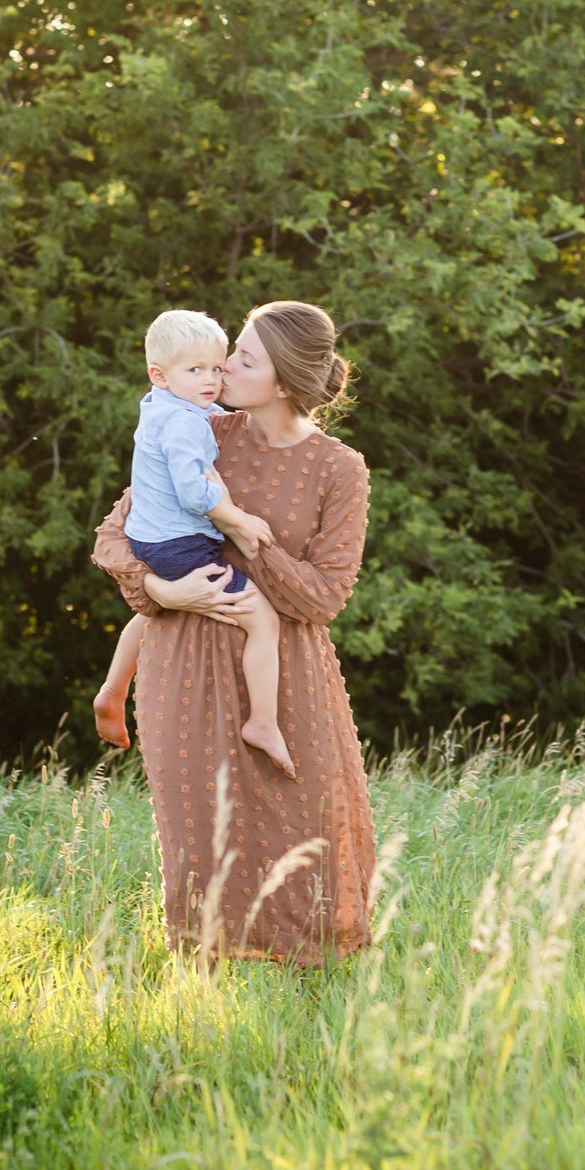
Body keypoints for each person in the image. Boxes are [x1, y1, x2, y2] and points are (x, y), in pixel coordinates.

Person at [92, 300, 375, 964]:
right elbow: (114, 535)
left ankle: (312, 990)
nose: (223, 369)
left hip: (285, 671)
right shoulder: (198, 431)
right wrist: (158, 588)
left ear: (281, 382)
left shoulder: (339, 468)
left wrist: (248, 538)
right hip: (181, 661)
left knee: (302, 830)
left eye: (242, 359)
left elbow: (325, 594)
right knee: (198, 837)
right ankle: (204, 996)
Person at [93, 309, 294, 776]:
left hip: (154, 538)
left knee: (160, 609)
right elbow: (192, 491)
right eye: (195, 370)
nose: (212, 379)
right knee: (263, 620)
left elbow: (211, 419)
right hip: (178, 542)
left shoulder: (165, 404)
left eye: (217, 366)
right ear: (159, 375)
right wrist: (236, 518)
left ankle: (114, 688)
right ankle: (263, 723)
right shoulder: (184, 423)